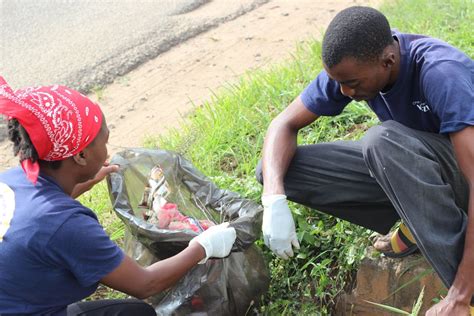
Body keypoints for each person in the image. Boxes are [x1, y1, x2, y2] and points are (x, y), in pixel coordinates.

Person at [256, 6, 473, 315]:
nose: (345, 91)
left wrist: (460, 295)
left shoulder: (442, 73)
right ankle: (417, 221)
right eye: (339, 82)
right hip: (412, 167)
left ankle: (467, 298)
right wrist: (274, 200)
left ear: (388, 61)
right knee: (276, 169)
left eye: (353, 84)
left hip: (463, 174)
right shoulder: (357, 65)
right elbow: (283, 125)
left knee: (381, 142)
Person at [0, 76, 237, 315]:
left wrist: (83, 180)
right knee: (137, 313)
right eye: (104, 142)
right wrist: (204, 246)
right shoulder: (66, 224)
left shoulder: (11, 181)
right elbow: (145, 284)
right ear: (80, 156)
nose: (107, 151)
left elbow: (37, 218)